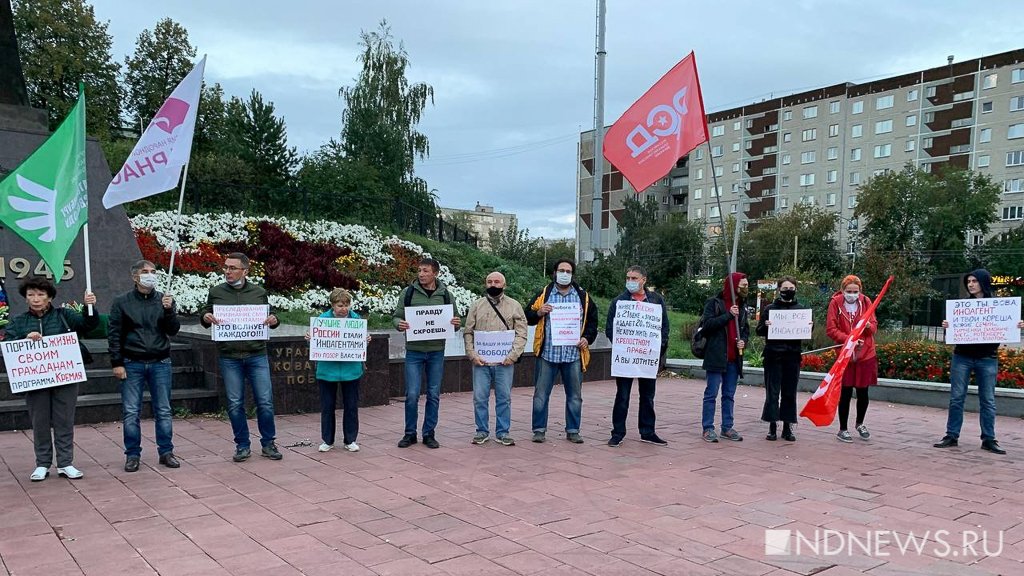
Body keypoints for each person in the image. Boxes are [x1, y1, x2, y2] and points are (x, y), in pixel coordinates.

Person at [5, 278, 97, 481]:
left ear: (50, 297)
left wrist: (89, 306)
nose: (35, 299)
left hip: (64, 377)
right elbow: (9, 344)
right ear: (25, 298)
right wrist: (24, 340)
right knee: (40, 422)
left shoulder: (64, 315)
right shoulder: (19, 321)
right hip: (35, 379)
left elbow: (88, 325)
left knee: (64, 420)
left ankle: (65, 463)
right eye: (31, 295)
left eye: (40, 295)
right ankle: (42, 464)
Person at [200, 252, 282, 462]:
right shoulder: (216, 292)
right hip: (230, 356)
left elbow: (269, 317)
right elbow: (206, 313)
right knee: (235, 403)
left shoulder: (258, 292)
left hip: (256, 354)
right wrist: (206, 317)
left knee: (265, 402)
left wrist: (274, 320)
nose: (227, 271)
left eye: (233, 268)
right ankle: (242, 445)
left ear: (245, 271)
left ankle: (268, 443)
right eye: (226, 267)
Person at [934, 269, 1023, 454]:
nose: (971, 284)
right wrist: (948, 327)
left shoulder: (999, 306)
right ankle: (952, 435)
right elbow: (952, 335)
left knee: (988, 400)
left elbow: (1005, 326)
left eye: (975, 281)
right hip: (962, 357)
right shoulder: (962, 307)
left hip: (987, 358)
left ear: (983, 282)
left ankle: (989, 439)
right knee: (957, 398)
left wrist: (1017, 325)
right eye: (969, 281)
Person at [108, 260, 181, 472]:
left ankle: (166, 451)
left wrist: (169, 310)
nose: (150, 275)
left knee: (164, 410)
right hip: (132, 363)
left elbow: (173, 330)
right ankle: (132, 454)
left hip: (160, 362)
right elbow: (114, 334)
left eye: (153, 272)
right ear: (135, 277)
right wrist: (117, 362)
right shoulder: (122, 302)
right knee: (131, 411)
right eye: (145, 272)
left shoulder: (164, 300)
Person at [526, 258, 598, 444]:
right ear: (554, 272)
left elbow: (592, 322)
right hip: (547, 354)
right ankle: (539, 430)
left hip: (573, 355)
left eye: (568, 271)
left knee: (575, 396)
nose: (564, 274)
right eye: (561, 270)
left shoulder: (583, 296)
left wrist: (586, 339)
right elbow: (528, 316)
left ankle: (573, 430)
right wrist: (539, 312)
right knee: (540, 395)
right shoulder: (544, 294)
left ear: (572, 275)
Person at [393, 257, 461, 449]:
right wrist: (399, 324)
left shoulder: (446, 295)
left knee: (433, 394)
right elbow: (397, 316)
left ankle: (429, 433)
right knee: (412, 394)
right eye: (420, 271)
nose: (421, 274)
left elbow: (456, 322)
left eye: (425, 271)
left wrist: (456, 324)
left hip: (436, 352)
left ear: (435, 273)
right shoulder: (408, 293)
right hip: (414, 352)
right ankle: (409, 433)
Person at [605, 265, 670, 447]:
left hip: (647, 358)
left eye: (634, 278)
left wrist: (658, 349)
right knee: (622, 396)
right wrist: (624, 346)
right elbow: (611, 328)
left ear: (644, 280)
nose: (630, 282)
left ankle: (648, 431)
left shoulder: (656, 301)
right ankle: (618, 433)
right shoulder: (619, 301)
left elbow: (664, 327)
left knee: (648, 396)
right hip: (626, 358)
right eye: (628, 278)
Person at [463, 272, 528, 446]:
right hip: (481, 362)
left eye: (497, 281)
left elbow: (522, 333)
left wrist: (513, 355)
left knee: (504, 398)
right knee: (479, 397)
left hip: (504, 362)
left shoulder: (514, 306)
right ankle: (481, 431)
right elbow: (468, 332)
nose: (493, 284)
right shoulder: (477, 306)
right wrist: (472, 354)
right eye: (489, 281)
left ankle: (503, 432)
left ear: (504, 285)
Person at [305, 288, 369, 453]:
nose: (344, 308)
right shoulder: (322, 320)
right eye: (340, 305)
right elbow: (315, 344)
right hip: (327, 370)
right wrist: (310, 340)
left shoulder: (356, 320)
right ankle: (327, 440)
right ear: (332, 305)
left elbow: (359, 342)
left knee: (351, 406)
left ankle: (350, 439)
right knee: (327, 407)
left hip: (351, 370)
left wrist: (366, 339)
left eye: (346, 305)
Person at [756, 276, 809, 442]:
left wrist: (809, 326)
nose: (788, 291)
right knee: (772, 392)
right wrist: (766, 325)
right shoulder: (770, 309)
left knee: (789, 392)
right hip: (773, 355)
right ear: (779, 290)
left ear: (795, 289)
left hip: (792, 356)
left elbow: (805, 332)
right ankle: (772, 425)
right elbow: (758, 330)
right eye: (785, 289)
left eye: (791, 288)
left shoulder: (801, 309)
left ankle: (787, 427)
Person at [826, 275, 877, 443]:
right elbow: (831, 329)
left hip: (865, 353)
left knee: (863, 392)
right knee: (846, 392)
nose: (852, 294)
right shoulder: (835, 303)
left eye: (855, 291)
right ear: (842, 290)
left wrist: (869, 327)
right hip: (845, 354)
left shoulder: (866, 302)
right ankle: (843, 428)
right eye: (849, 291)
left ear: (860, 291)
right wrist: (849, 338)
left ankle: (860, 423)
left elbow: (874, 325)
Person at [700, 273, 750, 443]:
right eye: (742, 284)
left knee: (729, 395)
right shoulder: (715, 303)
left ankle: (727, 427)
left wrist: (743, 341)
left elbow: (745, 330)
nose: (746, 288)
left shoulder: (742, 306)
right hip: (716, 356)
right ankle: (708, 428)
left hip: (734, 359)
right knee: (711, 393)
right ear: (733, 286)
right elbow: (706, 326)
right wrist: (728, 315)